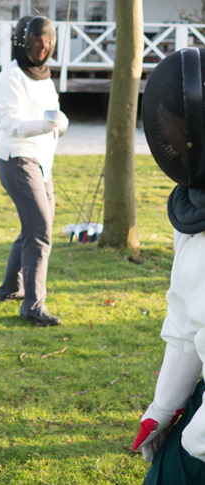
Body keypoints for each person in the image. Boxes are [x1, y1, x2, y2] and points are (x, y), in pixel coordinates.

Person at [132, 47, 205, 483]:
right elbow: (184, 323)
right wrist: (162, 408)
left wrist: (196, 443)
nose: (170, 140)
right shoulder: (192, 210)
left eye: (180, 128)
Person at [0, 15, 69, 327]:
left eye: (48, 39)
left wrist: (60, 122)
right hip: (17, 160)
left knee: (33, 228)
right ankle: (33, 306)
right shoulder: (8, 78)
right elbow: (10, 123)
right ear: (23, 42)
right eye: (37, 39)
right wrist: (46, 125)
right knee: (40, 231)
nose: (44, 45)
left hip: (42, 164)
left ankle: (11, 288)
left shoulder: (46, 77)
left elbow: (53, 113)